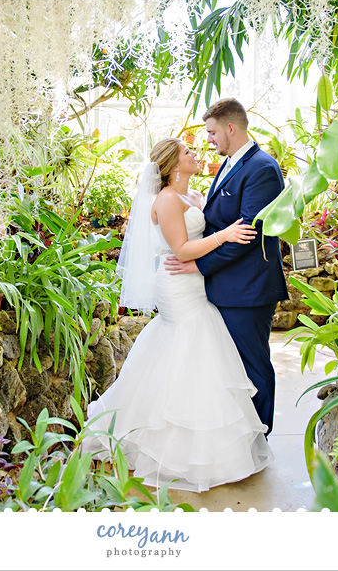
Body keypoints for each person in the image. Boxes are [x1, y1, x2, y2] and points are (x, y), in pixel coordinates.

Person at [82, 138, 274, 493]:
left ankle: (206, 445)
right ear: (173, 165)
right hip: (178, 286)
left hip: (198, 283)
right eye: (188, 153)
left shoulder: (195, 196)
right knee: (190, 347)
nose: (195, 154)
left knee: (198, 355)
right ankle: (172, 447)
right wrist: (226, 236)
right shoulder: (167, 200)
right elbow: (182, 249)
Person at [164, 98, 288, 436]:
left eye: (212, 132)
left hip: (248, 288)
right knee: (233, 367)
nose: (208, 139)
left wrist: (199, 264)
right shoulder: (232, 162)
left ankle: (259, 436)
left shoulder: (261, 168)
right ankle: (240, 436)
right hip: (229, 285)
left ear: (231, 128)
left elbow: (248, 232)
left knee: (254, 366)